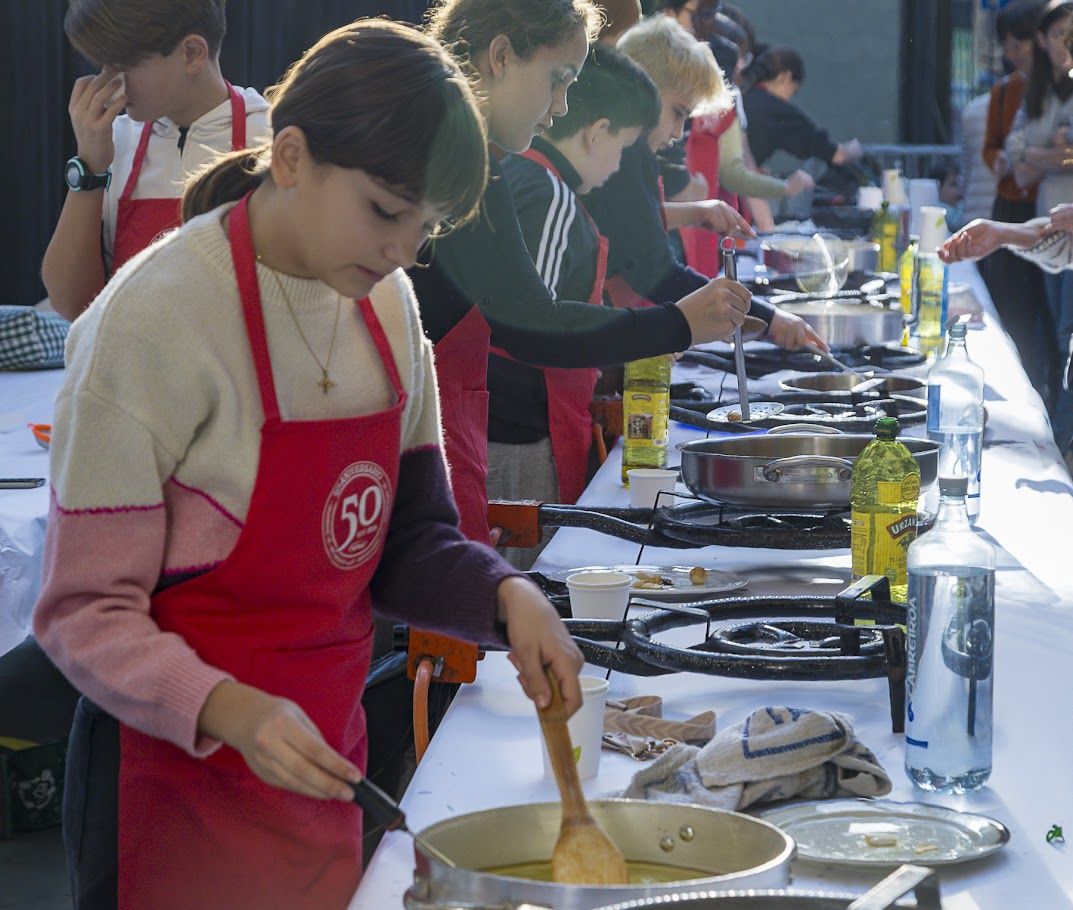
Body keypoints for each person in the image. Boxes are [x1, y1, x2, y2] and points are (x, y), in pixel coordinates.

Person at [33, 20, 583, 910]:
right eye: (385, 210)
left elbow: (408, 540)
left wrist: (503, 595)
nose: (406, 251)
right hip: (167, 794)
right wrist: (229, 708)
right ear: (289, 156)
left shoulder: (387, 309)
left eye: (427, 226)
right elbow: (81, 610)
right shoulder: (153, 319)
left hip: (322, 775)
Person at [416, 0, 756, 546]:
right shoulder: (462, 159)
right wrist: (677, 322)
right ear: (500, 56)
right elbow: (531, 325)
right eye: (558, 81)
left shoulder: (474, 157)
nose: (559, 106)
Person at [491, 45, 659, 566]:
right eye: (624, 148)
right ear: (597, 132)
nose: (618, 167)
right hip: (517, 438)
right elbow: (531, 327)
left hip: (514, 426)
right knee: (523, 583)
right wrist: (659, 329)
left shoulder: (526, 178)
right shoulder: (550, 196)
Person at [585, 16, 826, 350]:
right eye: (678, 112)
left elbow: (622, 219)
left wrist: (697, 212)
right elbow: (657, 273)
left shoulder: (627, 153)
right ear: (645, 86)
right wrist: (768, 317)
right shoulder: (623, 154)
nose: (675, 133)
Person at [41, 0, 270, 321]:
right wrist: (90, 167)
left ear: (192, 53)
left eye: (121, 65)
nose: (109, 84)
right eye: (102, 66)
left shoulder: (270, 138)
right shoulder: (113, 139)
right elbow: (71, 302)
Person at [1006, 0, 1073, 447]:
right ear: (1043, 39)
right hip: (1045, 234)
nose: (1065, 42)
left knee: (1067, 337)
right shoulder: (1038, 92)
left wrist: (1038, 155)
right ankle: (1059, 435)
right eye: (1059, 33)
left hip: (1065, 234)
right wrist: (1048, 155)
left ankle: (1063, 442)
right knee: (1053, 336)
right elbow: (1017, 164)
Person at [981, 0, 1051, 395]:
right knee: (1011, 309)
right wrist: (1000, 162)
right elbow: (990, 147)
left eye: (1018, 44)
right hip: (1009, 204)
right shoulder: (1004, 92)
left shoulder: (1057, 89)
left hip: (1045, 210)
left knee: (1049, 316)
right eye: (1006, 45)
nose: (1010, 53)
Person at [741, 46, 863, 171]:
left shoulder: (741, 95)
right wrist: (856, 149)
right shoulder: (776, 111)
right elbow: (836, 155)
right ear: (785, 77)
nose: (789, 99)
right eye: (794, 91)